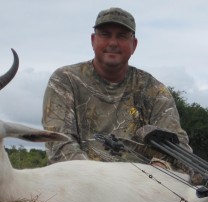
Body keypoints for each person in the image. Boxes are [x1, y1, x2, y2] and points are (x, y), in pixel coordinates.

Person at [42, 7, 192, 170]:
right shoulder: (65, 80)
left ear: (133, 45)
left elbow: (179, 147)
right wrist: (96, 179)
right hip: (81, 183)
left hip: (142, 185)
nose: (113, 43)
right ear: (93, 40)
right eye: (105, 34)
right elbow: (58, 143)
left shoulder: (154, 91)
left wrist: (161, 166)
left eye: (121, 36)